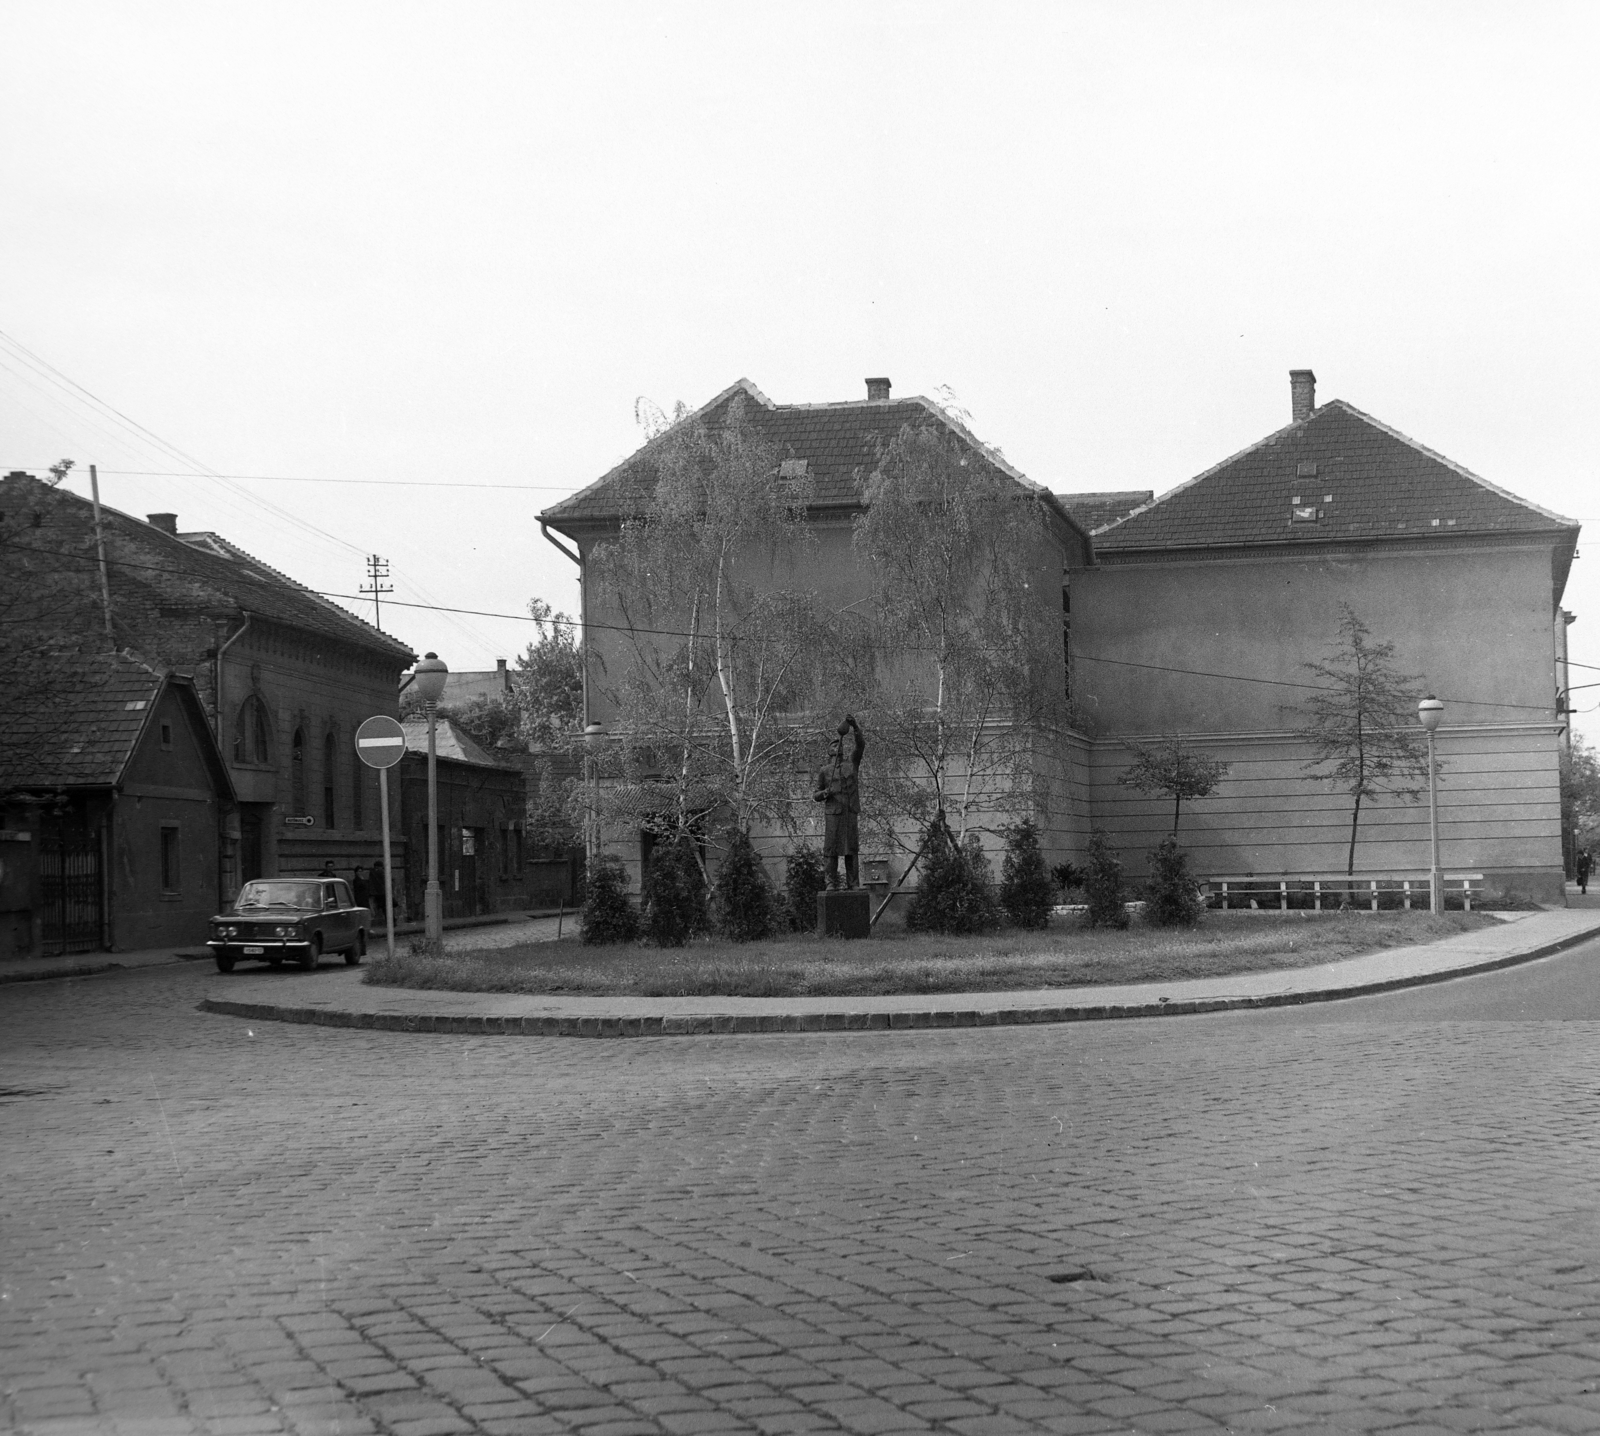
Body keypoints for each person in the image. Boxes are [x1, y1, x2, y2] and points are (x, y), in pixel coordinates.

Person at [813, 714, 865, 890]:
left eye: (839, 745)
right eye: (834, 745)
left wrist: (855, 726)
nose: (838, 747)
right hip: (833, 814)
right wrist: (824, 793)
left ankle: (854, 884)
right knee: (831, 851)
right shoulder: (825, 771)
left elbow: (860, 745)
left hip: (849, 812)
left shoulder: (852, 764)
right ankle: (830, 883)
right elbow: (815, 794)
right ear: (829, 751)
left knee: (851, 850)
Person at [369, 860, 388, 926]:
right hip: (381, 893)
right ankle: (386, 921)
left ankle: (380, 921)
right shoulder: (380, 872)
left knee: (379, 907)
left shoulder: (372, 872)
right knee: (384, 907)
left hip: (377, 893)